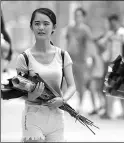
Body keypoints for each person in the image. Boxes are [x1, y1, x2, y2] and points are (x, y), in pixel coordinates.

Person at [15, 8, 76, 142]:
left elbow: (72, 86)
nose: (41, 28)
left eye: (46, 24)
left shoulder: (63, 55)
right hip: (33, 116)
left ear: (53, 27)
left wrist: (63, 100)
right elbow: (20, 90)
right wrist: (33, 95)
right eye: (37, 24)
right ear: (31, 26)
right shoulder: (24, 58)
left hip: (56, 117)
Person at [98, 14, 124, 119]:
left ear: (117, 22)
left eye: (114, 23)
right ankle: (123, 110)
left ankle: (113, 112)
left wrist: (118, 39)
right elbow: (101, 43)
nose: (112, 25)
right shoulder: (110, 33)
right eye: (111, 23)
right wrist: (108, 39)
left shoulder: (123, 32)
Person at [65, 7, 94, 112]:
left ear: (83, 17)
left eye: (79, 15)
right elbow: (67, 42)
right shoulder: (69, 28)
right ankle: (64, 102)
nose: (77, 17)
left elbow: (90, 44)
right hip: (70, 59)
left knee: (80, 83)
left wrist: (89, 58)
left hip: (81, 60)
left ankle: (80, 104)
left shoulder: (86, 30)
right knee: (66, 81)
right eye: (76, 15)